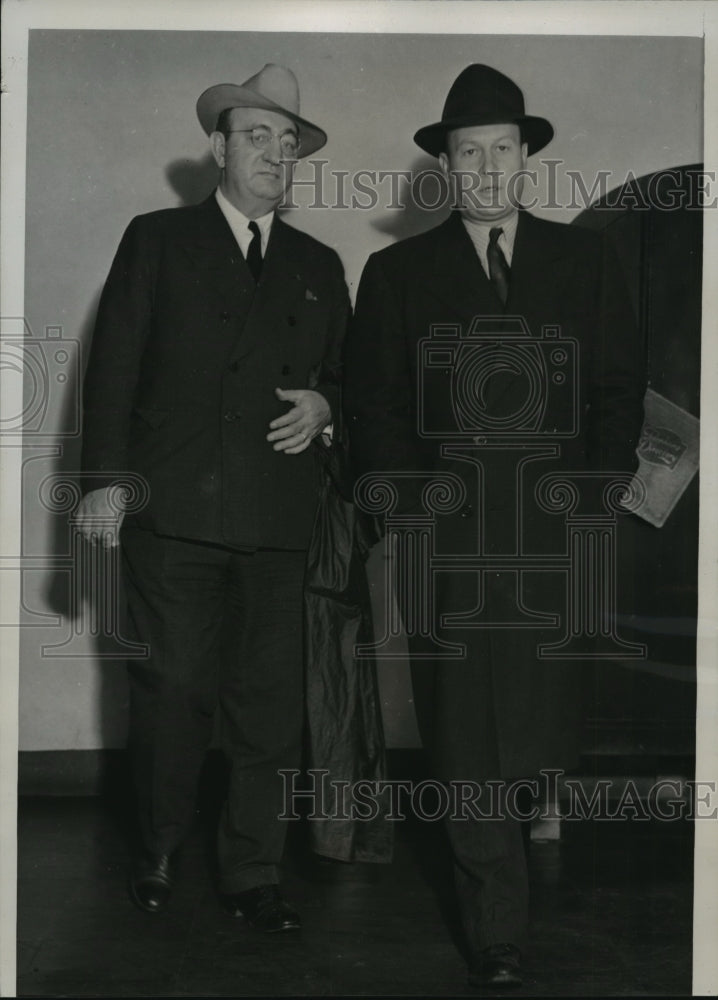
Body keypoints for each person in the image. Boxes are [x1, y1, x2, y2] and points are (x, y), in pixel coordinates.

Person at [343, 64, 645, 987]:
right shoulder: (397, 272)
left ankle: (515, 863)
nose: (484, 167)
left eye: (500, 149)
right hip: (454, 539)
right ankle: (496, 928)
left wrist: (589, 499)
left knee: (539, 725)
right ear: (445, 164)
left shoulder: (586, 264)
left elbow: (614, 393)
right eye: (466, 151)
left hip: (556, 536)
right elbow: (378, 408)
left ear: (526, 158)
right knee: (465, 731)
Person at [76, 63, 349, 931]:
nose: (276, 153)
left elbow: (347, 377)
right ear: (219, 147)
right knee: (174, 690)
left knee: (269, 708)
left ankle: (252, 870)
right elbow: (112, 366)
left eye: (289, 141)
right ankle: (157, 847)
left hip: (277, 520)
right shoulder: (155, 239)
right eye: (257, 135)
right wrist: (104, 484)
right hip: (177, 516)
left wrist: (326, 406)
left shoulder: (318, 263)